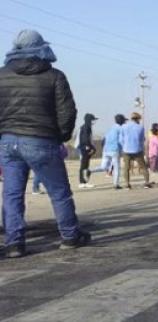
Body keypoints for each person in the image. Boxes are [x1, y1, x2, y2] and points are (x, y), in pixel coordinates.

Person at [0, 30, 91, 256]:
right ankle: (70, 236)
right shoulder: (54, 76)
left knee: (12, 194)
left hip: (8, 141)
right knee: (59, 192)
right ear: (41, 47)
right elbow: (67, 111)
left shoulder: (2, 75)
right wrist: (60, 136)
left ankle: (14, 244)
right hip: (42, 139)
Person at [92, 114, 125, 190]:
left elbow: (104, 139)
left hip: (106, 150)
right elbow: (121, 140)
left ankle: (90, 171)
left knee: (103, 167)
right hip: (115, 150)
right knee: (116, 168)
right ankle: (116, 184)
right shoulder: (121, 129)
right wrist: (124, 149)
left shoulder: (111, 128)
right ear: (122, 121)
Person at [121, 112, 153, 189]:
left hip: (126, 150)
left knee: (126, 168)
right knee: (143, 167)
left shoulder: (124, 127)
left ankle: (127, 184)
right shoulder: (140, 127)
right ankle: (146, 183)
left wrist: (124, 146)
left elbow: (121, 139)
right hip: (137, 150)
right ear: (138, 119)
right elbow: (142, 139)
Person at [77, 113, 97, 188]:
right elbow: (85, 139)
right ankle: (82, 182)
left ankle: (84, 181)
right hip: (85, 148)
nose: (93, 121)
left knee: (85, 165)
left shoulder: (85, 127)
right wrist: (92, 147)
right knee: (84, 165)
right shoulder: (86, 127)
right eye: (92, 120)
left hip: (84, 147)